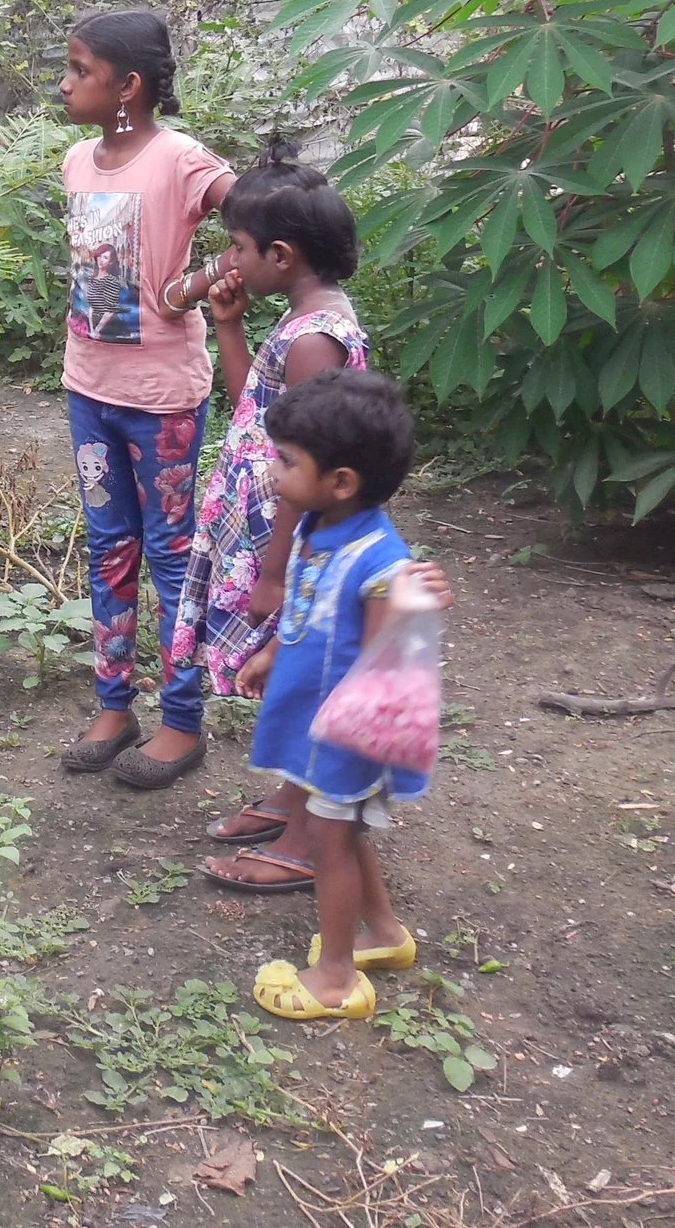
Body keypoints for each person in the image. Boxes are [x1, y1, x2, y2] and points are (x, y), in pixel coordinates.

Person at [163, 146, 371, 894]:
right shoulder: (297, 321)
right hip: (260, 531)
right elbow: (261, 411)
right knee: (280, 679)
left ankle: (314, 837)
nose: (232, 261)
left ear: (281, 255)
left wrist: (278, 568)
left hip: (283, 541)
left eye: (240, 249)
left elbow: (306, 461)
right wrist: (228, 327)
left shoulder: (317, 339)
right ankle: (290, 797)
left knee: (297, 678)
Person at [53, 9, 235, 790]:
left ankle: (183, 722)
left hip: (162, 399)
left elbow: (266, 214)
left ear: (127, 85)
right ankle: (113, 705)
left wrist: (192, 286)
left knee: (168, 552)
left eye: (79, 69)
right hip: (88, 391)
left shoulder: (181, 161)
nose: (64, 83)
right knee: (108, 545)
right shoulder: (74, 161)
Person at [241, 369, 449, 1020]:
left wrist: (417, 601)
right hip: (320, 725)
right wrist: (274, 652)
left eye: (287, 460)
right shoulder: (318, 527)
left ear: (341, 480)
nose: (274, 471)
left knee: (329, 842)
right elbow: (309, 608)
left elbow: (390, 659)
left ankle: (334, 975)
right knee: (349, 833)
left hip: (350, 737)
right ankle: (383, 933)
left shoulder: (379, 561)